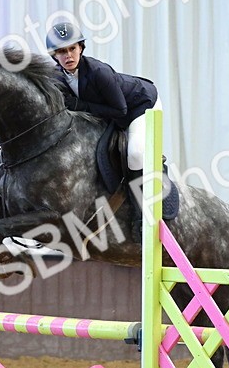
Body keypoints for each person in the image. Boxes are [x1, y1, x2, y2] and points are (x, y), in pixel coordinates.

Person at [46, 21, 175, 235]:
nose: (68, 55)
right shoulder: (57, 77)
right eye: (61, 51)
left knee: (134, 153)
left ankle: (142, 213)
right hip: (111, 112)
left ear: (80, 48)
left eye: (72, 49)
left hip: (139, 105)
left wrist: (81, 106)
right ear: (54, 55)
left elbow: (120, 110)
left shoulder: (98, 72)